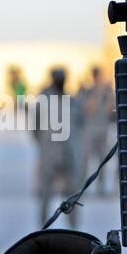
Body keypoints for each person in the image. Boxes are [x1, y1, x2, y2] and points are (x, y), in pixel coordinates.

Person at [33, 68, 76, 227]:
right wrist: (45, 146)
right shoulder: (43, 99)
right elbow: (35, 128)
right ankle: (42, 227)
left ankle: (74, 229)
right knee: (45, 194)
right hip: (48, 154)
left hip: (66, 154)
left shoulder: (69, 99)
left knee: (72, 194)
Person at [77, 67, 115, 197]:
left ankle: (101, 188)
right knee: (84, 161)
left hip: (102, 131)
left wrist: (110, 95)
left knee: (102, 161)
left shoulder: (106, 92)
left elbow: (110, 111)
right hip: (89, 132)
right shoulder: (87, 91)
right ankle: (82, 187)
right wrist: (99, 92)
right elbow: (88, 108)